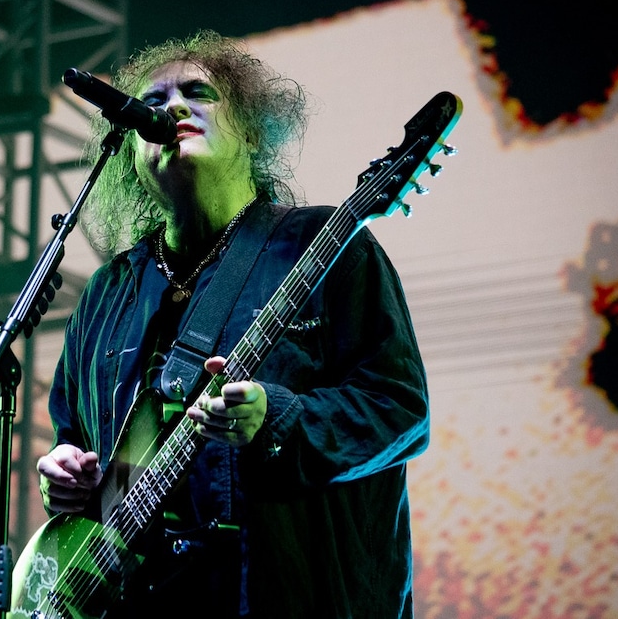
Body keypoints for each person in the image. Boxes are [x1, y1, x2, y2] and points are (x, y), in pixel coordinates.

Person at [34, 30, 430, 618]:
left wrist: (277, 416)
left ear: (250, 132)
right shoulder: (108, 292)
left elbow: (399, 412)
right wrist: (66, 476)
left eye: (198, 92)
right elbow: (81, 438)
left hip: (286, 593)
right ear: (132, 155)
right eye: (154, 98)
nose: (170, 107)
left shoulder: (325, 246)